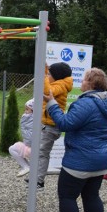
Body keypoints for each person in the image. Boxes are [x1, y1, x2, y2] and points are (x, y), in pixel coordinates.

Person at [44, 68, 107, 212]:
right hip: (101, 160)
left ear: (90, 83)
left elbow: (66, 124)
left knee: (67, 196)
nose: (81, 82)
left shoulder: (86, 104)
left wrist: (52, 104)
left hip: (81, 160)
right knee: (92, 195)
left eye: (84, 79)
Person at [32, 62, 73, 190]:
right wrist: (45, 68)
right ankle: (36, 175)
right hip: (46, 124)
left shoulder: (61, 85)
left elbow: (47, 91)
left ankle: (39, 181)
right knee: (38, 150)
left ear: (57, 76)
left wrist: (43, 75)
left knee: (43, 152)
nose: (48, 76)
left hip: (51, 126)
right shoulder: (59, 82)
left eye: (50, 74)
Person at [9, 99, 34, 177]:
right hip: (28, 146)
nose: (25, 111)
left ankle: (28, 167)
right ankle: (26, 167)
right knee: (12, 148)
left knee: (13, 148)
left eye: (27, 109)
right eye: (25, 109)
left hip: (36, 150)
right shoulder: (27, 118)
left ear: (33, 110)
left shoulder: (35, 119)